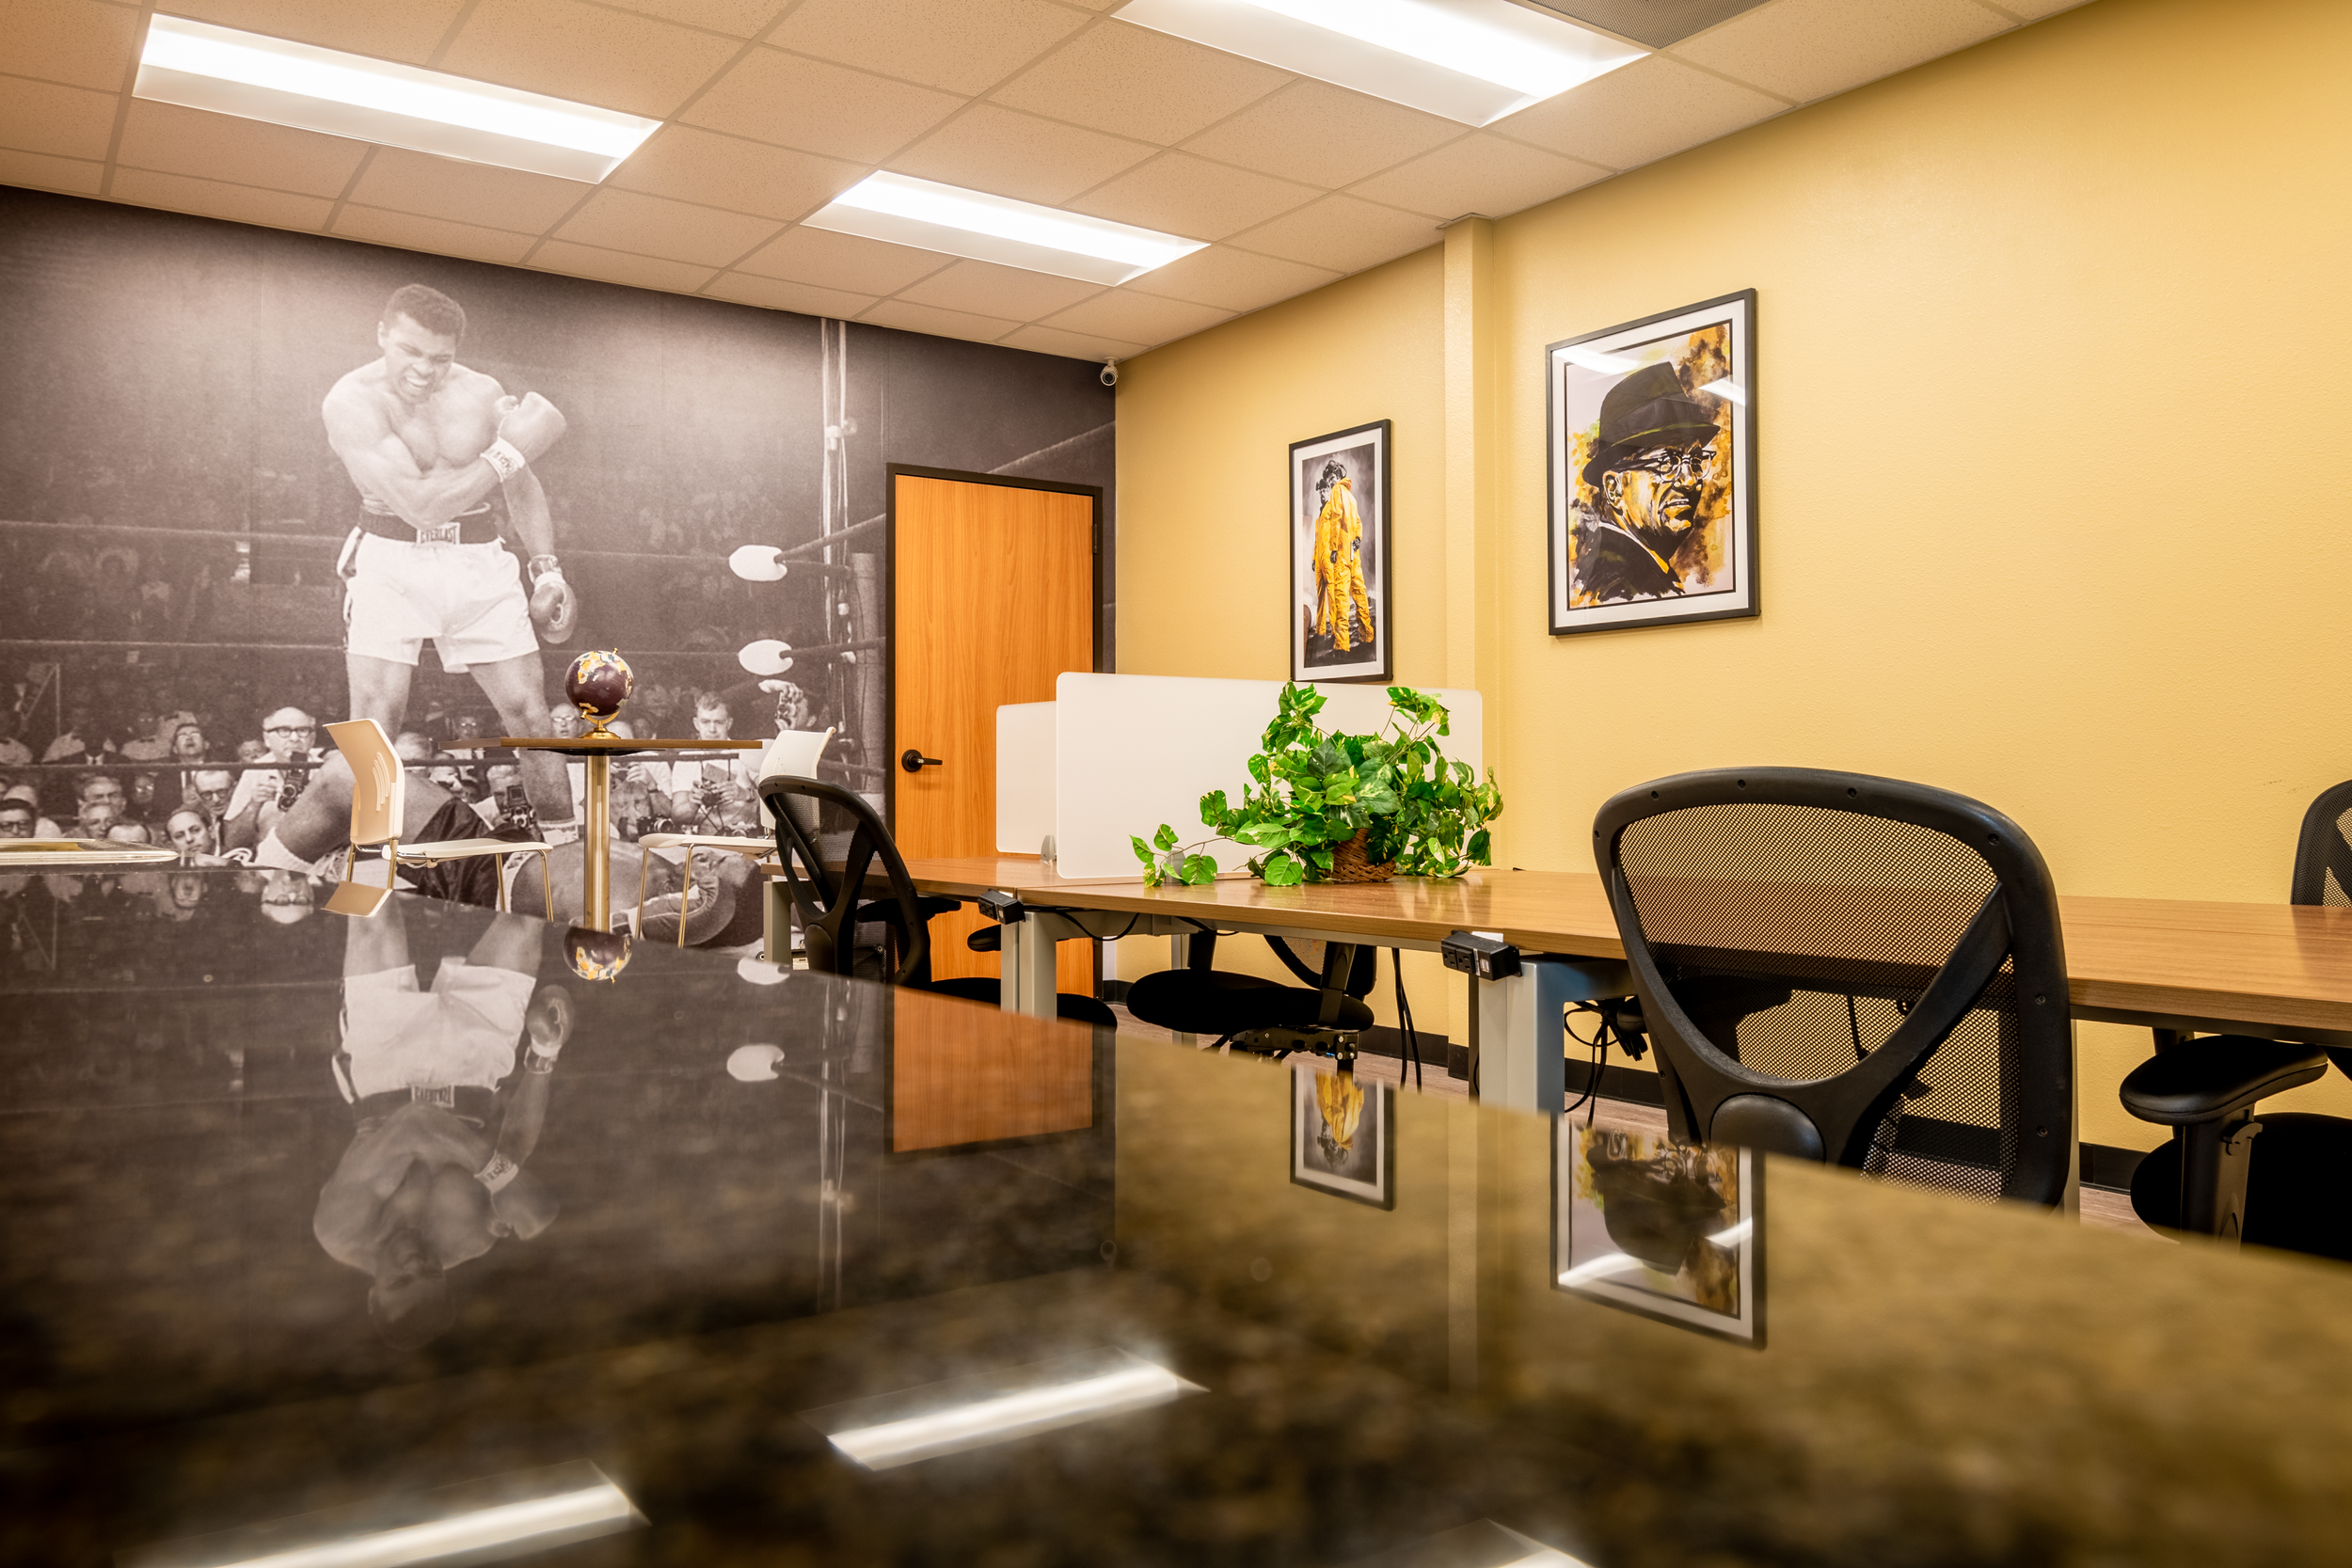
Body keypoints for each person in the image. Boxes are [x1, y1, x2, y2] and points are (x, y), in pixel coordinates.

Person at [315, 282, 577, 844]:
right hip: (391, 557)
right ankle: (373, 861)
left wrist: (548, 568)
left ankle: (565, 854)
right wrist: (512, 449)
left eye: (440, 358)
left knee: (531, 715)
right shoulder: (351, 401)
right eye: (410, 351)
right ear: (382, 334)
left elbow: (520, 487)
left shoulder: (481, 392)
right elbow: (418, 503)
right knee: (373, 724)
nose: (423, 370)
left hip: (479, 558)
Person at [311, 900, 570, 1347]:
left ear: (373, 1297)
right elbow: (513, 1148)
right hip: (476, 1070)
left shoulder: (340, 1231)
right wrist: (543, 1058)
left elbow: (417, 1122)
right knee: (526, 916)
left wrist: (498, 1173)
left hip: (383, 1066)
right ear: (446, 1281)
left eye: (399, 1281)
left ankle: (364, 829)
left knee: (373, 907)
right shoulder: (470, 1240)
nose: (415, 1261)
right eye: (428, 1273)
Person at [1568, 362, 1723, 604]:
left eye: (1694, 461)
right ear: (1613, 488)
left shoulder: (1647, 576)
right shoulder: (1617, 585)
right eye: (1668, 462)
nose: (1689, 480)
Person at [1310, 456, 1375, 657]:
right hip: (1353, 555)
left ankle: (1341, 646)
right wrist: (1357, 540)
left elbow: (1336, 519)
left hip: (1341, 553)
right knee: (1359, 593)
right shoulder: (1351, 497)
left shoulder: (1337, 491)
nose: (1328, 482)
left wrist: (1334, 549)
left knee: (1340, 598)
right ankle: (1367, 636)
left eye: (1329, 477)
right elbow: (1358, 523)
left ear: (1334, 476)